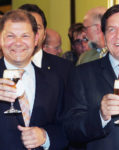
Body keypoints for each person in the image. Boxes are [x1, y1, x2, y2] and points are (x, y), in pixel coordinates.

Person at [63, 4, 119, 150]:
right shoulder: (81, 74)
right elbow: (70, 129)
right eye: (112, 30)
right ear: (104, 36)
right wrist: (100, 116)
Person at [0, 9, 68, 149]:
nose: (18, 43)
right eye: (11, 36)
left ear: (36, 39)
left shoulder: (54, 81)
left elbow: (68, 129)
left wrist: (45, 136)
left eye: (25, 36)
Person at [19, 4, 73, 86]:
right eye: (26, 27)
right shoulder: (3, 66)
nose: (32, 32)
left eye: (37, 27)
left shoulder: (64, 68)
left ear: (44, 34)